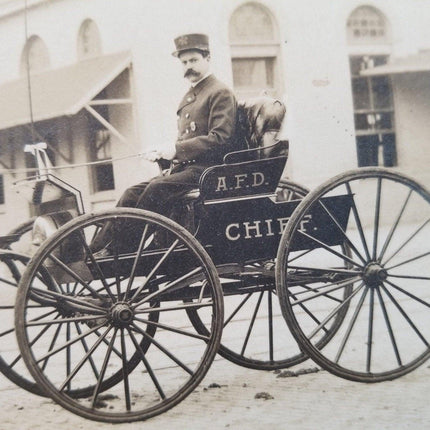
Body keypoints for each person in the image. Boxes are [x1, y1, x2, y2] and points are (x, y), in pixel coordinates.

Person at [91, 33, 237, 254]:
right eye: (184, 62)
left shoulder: (219, 92)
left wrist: (176, 150)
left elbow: (221, 138)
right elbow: (187, 137)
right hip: (187, 168)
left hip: (210, 170)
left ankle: (121, 250)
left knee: (158, 188)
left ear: (208, 58)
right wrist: (163, 150)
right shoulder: (192, 94)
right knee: (131, 192)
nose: (188, 66)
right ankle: (96, 250)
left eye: (194, 60)